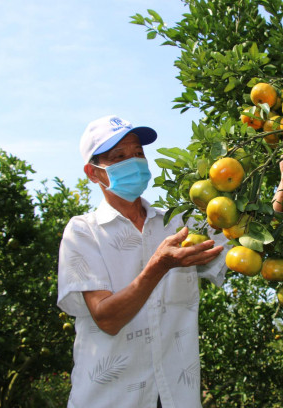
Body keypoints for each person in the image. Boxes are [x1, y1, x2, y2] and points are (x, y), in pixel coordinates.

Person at [57, 115, 229, 408]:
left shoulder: (178, 222)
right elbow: (107, 318)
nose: (134, 162)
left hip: (177, 397)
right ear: (94, 173)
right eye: (119, 157)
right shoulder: (84, 232)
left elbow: (246, 244)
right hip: (109, 400)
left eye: (138, 153)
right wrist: (159, 266)